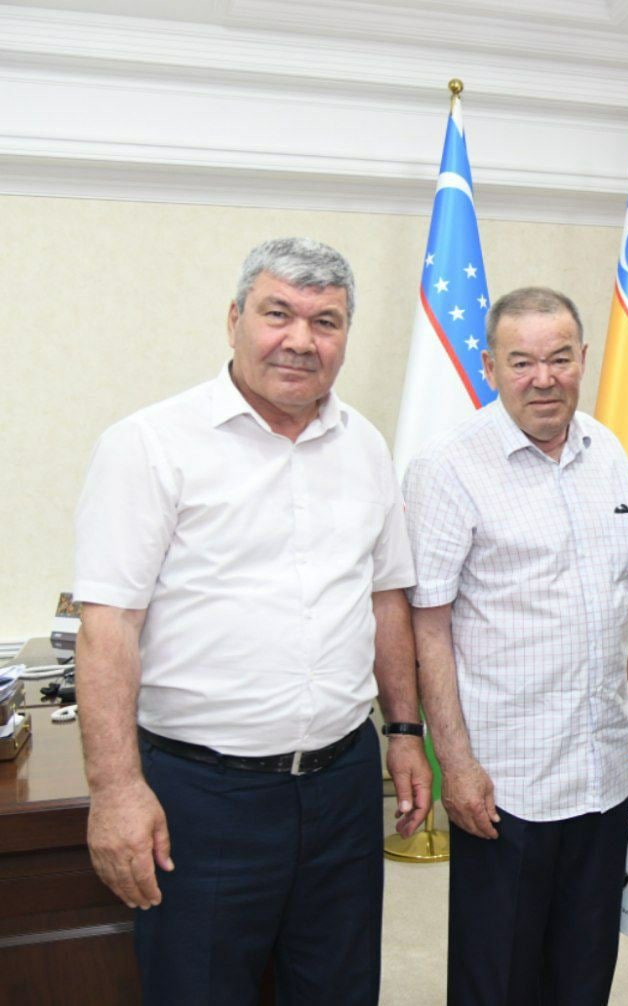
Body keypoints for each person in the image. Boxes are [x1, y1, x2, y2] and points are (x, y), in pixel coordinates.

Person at [73, 237, 433, 1005]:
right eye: (278, 314)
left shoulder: (366, 447)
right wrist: (115, 790)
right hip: (203, 796)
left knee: (340, 989)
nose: (301, 340)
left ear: (344, 336)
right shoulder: (149, 446)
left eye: (325, 321)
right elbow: (108, 628)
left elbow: (385, 599)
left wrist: (404, 732)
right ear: (234, 319)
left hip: (342, 784)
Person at [402, 287, 628, 1006]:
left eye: (560, 358)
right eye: (521, 362)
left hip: (602, 768)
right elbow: (428, 625)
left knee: (585, 970)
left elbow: (618, 590)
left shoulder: (609, 452)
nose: (543, 379)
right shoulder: (447, 467)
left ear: (584, 359)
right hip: (507, 779)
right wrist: (454, 762)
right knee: (499, 977)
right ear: (490, 367)